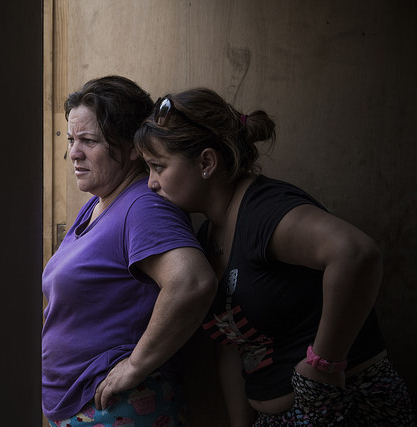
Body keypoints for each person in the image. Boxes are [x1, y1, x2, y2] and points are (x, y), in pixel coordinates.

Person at [133, 87, 416, 426]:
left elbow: (356, 254)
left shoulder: (264, 209)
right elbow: (230, 346)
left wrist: (324, 364)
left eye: (158, 167)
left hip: (345, 408)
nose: (151, 183)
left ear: (206, 162)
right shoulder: (207, 237)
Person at [41, 76, 218, 427]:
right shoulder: (102, 200)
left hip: (120, 408)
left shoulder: (143, 207)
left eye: (89, 141)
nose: (74, 152)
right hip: (83, 407)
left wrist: (135, 365)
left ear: (134, 146)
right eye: (72, 139)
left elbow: (192, 281)